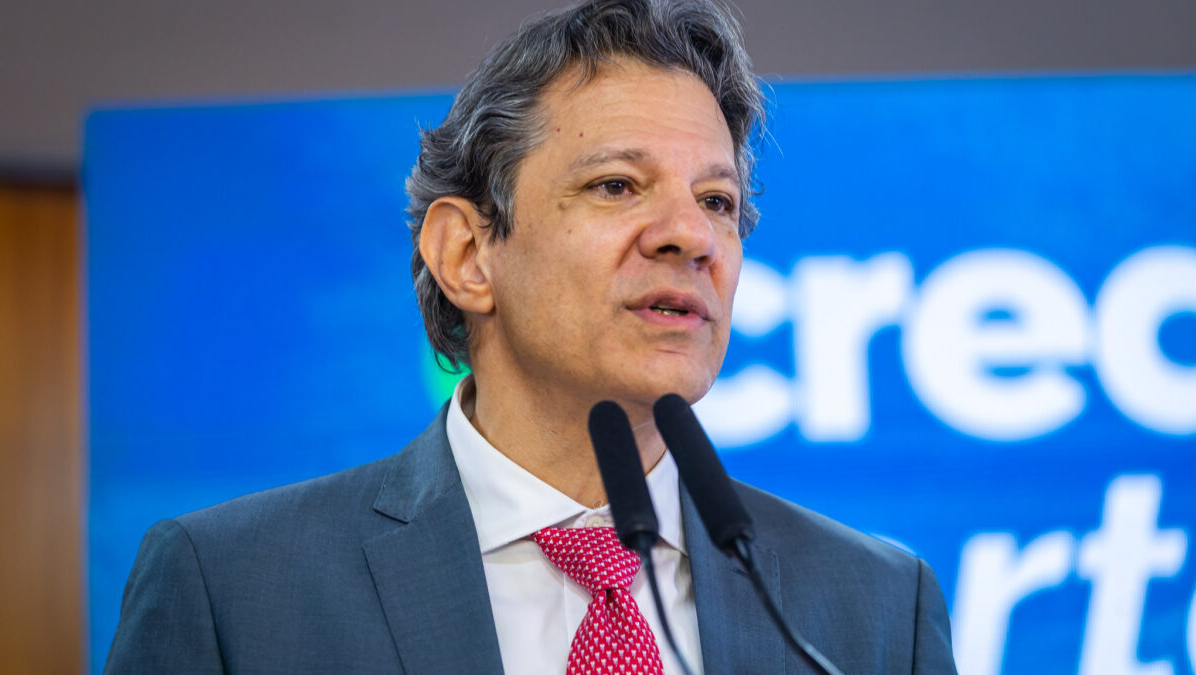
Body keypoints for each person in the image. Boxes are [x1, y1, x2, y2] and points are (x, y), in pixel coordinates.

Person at [105, 0, 958, 672]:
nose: (689, 236)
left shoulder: (875, 608)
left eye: (718, 201)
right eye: (618, 185)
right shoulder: (233, 590)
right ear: (467, 254)